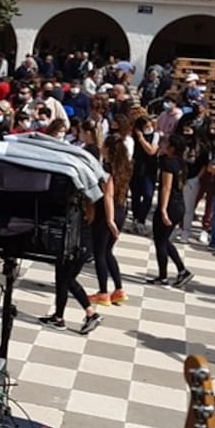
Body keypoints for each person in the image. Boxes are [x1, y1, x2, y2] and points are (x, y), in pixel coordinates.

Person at [91, 131, 132, 306]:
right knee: (108, 251)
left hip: (107, 213)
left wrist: (109, 220)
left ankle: (103, 292)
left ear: (107, 148)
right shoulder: (126, 167)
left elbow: (108, 195)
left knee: (99, 253)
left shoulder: (107, 169)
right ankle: (118, 289)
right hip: (121, 209)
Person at [149, 134, 193, 288]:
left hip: (170, 205)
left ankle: (165, 275)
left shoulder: (168, 163)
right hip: (179, 204)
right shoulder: (182, 163)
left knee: (160, 241)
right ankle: (180, 270)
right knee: (164, 239)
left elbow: (166, 187)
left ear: (172, 148)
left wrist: (163, 209)